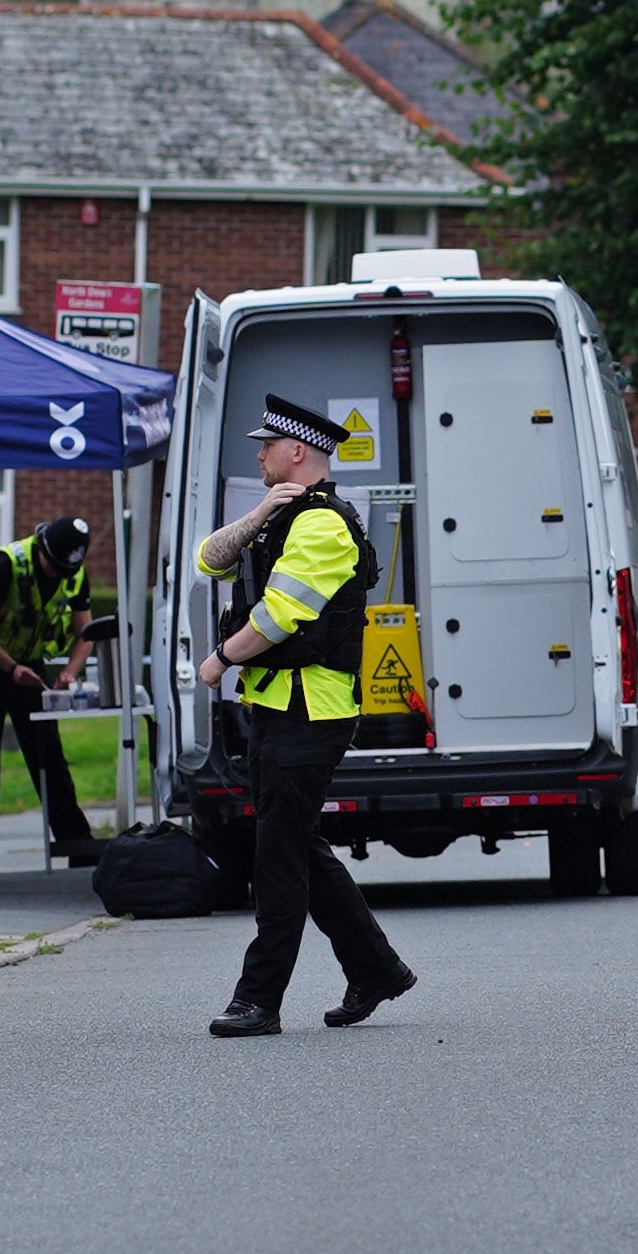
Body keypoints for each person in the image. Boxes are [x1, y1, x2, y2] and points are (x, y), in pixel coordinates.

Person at [197, 394, 413, 1038]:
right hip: (277, 709)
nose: (258, 454)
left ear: (297, 453)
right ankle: (376, 969)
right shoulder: (281, 518)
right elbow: (211, 557)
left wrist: (219, 659)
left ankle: (258, 1000)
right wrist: (260, 508)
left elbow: (279, 616)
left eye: (266, 446)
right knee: (297, 846)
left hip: (309, 712)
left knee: (278, 857)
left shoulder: (322, 526)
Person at [0, 516, 100, 871]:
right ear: (41, 550)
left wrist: (70, 671)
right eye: (52, 567)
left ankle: (74, 839)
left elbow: (87, 631)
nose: (56, 575)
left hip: (32, 666)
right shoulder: (8, 563)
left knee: (48, 753)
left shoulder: (74, 572)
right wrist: (10, 669)